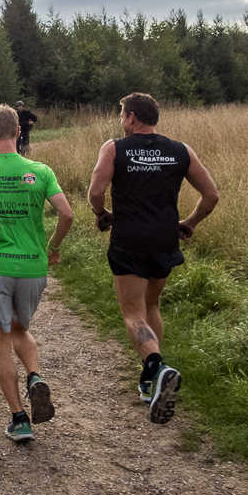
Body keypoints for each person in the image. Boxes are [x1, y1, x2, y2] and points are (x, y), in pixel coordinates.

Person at [86, 92, 219, 425]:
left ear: (132, 117)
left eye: (122, 116)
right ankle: (149, 382)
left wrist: (102, 213)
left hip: (129, 238)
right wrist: (189, 223)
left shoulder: (114, 148)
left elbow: (96, 191)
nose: (121, 122)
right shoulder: (180, 150)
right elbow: (211, 195)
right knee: (152, 306)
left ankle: (158, 368)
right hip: (164, 239)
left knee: (132, 313)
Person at [0, 104, 73, 443]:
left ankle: (19, 418)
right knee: (21, 328)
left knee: (0, 342)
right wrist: (52, 247)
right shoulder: (40, 171)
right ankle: (35, 377)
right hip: (34, 265)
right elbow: (66, 215)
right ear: (18, 131)